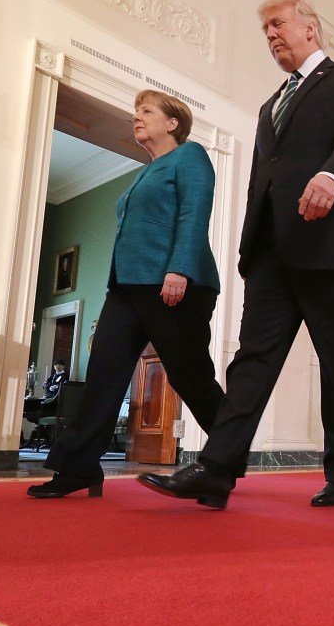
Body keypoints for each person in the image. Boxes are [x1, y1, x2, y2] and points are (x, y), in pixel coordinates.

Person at [139, 0, 334, 509]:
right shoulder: (269, 104)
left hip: (328, 241)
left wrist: (333, 174)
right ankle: (216, 469)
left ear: (310, 29)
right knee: (250, 361)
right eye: (265, 30)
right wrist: (249, 246)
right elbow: (261, 179)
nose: (271, 35)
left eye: (278, 25)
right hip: (271, 252)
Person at [27, 89, 224, 499]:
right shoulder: (145, 172)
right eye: (135, 111)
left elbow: (194, 214)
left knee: (192, 379)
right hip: (127, 288)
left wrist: (180, 268)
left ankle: (225, 462)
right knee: (103, 378)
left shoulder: (191, 157)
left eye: (146, 111)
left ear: (173, 123)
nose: (137, 117)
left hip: (174, 282)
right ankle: (77, 468)